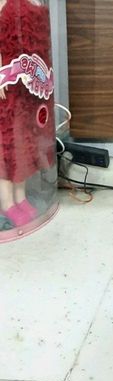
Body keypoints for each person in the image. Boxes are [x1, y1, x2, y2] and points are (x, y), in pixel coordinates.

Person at [0, 0, 55, 228]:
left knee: (24, 145)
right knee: (6, 146)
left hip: (30, 85)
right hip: (8, 81)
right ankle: (7, 202)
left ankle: (20, 198)